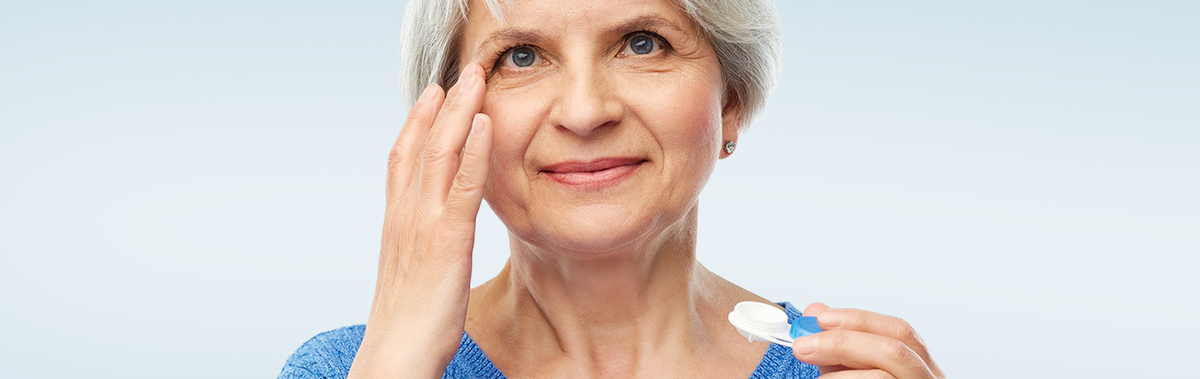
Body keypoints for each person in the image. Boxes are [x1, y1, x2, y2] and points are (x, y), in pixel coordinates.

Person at [279, 0, 944, 378]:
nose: (585, 109)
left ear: (732, 101)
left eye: (643, 43)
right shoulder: (346, 368)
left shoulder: (845, 369)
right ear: (449, 111)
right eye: (521, 56)